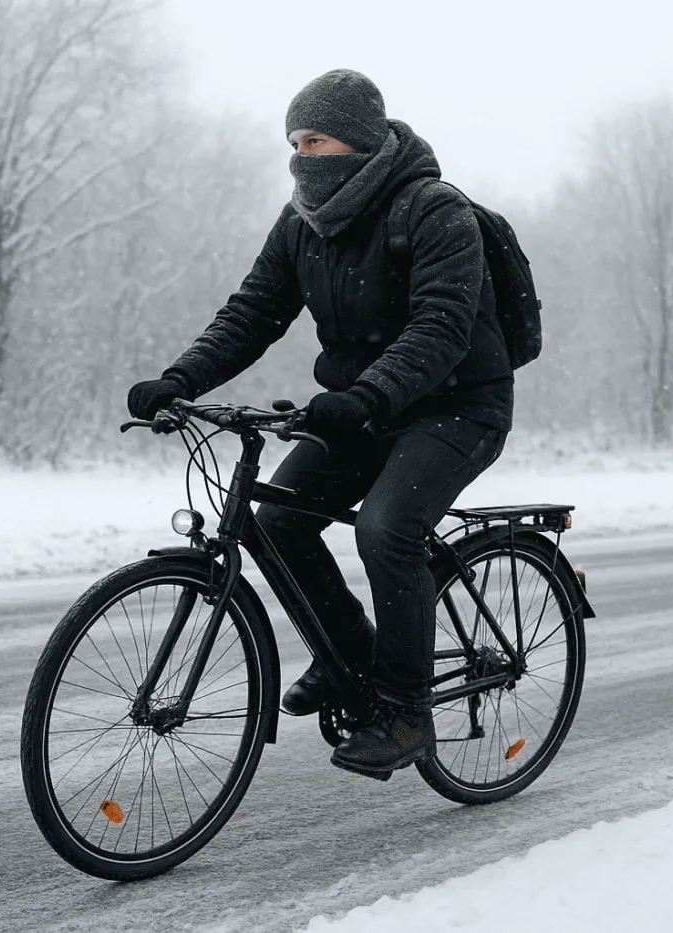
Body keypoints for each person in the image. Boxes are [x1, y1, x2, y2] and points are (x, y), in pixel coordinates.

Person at [126, 68, 513, 778]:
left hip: (457, 405)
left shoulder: (432, 210)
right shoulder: (301, 223)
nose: (304, 154)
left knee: (386, 527)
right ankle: (352, 660)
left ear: (361, 140)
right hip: (363, 405)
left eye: (319, 138)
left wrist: (366, 394)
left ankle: (405, 710)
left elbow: (441, 326)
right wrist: (181, 379)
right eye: (295, 140)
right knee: (276, 522)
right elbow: (252, 313)